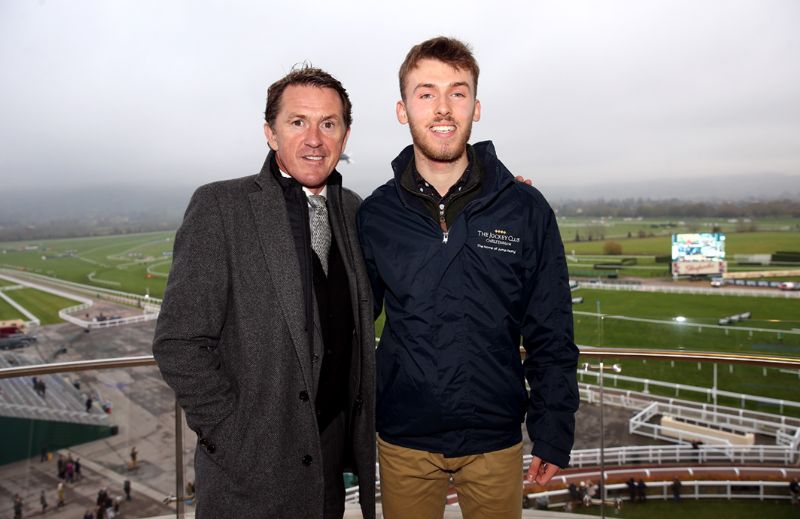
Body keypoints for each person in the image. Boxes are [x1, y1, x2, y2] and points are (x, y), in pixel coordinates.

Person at [358, 36, 579, 519]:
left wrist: (553, 426)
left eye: (457, 93)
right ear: (402, 109)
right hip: (404, 440)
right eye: (426, 92)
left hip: (495, 440)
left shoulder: (524, 208)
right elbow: (350, 328)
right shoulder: (374, 214)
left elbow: (552, 328)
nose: (442, 108)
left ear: (476, 108)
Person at [152, 65, 375, 519]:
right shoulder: (220, 207)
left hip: (329, 459)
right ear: (270, 133)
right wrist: (233, 437)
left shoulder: (353, 211)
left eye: (328, 124)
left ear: (345, 137)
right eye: (298, 122)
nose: (314, 138)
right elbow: (178, 342)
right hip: (251, 467)